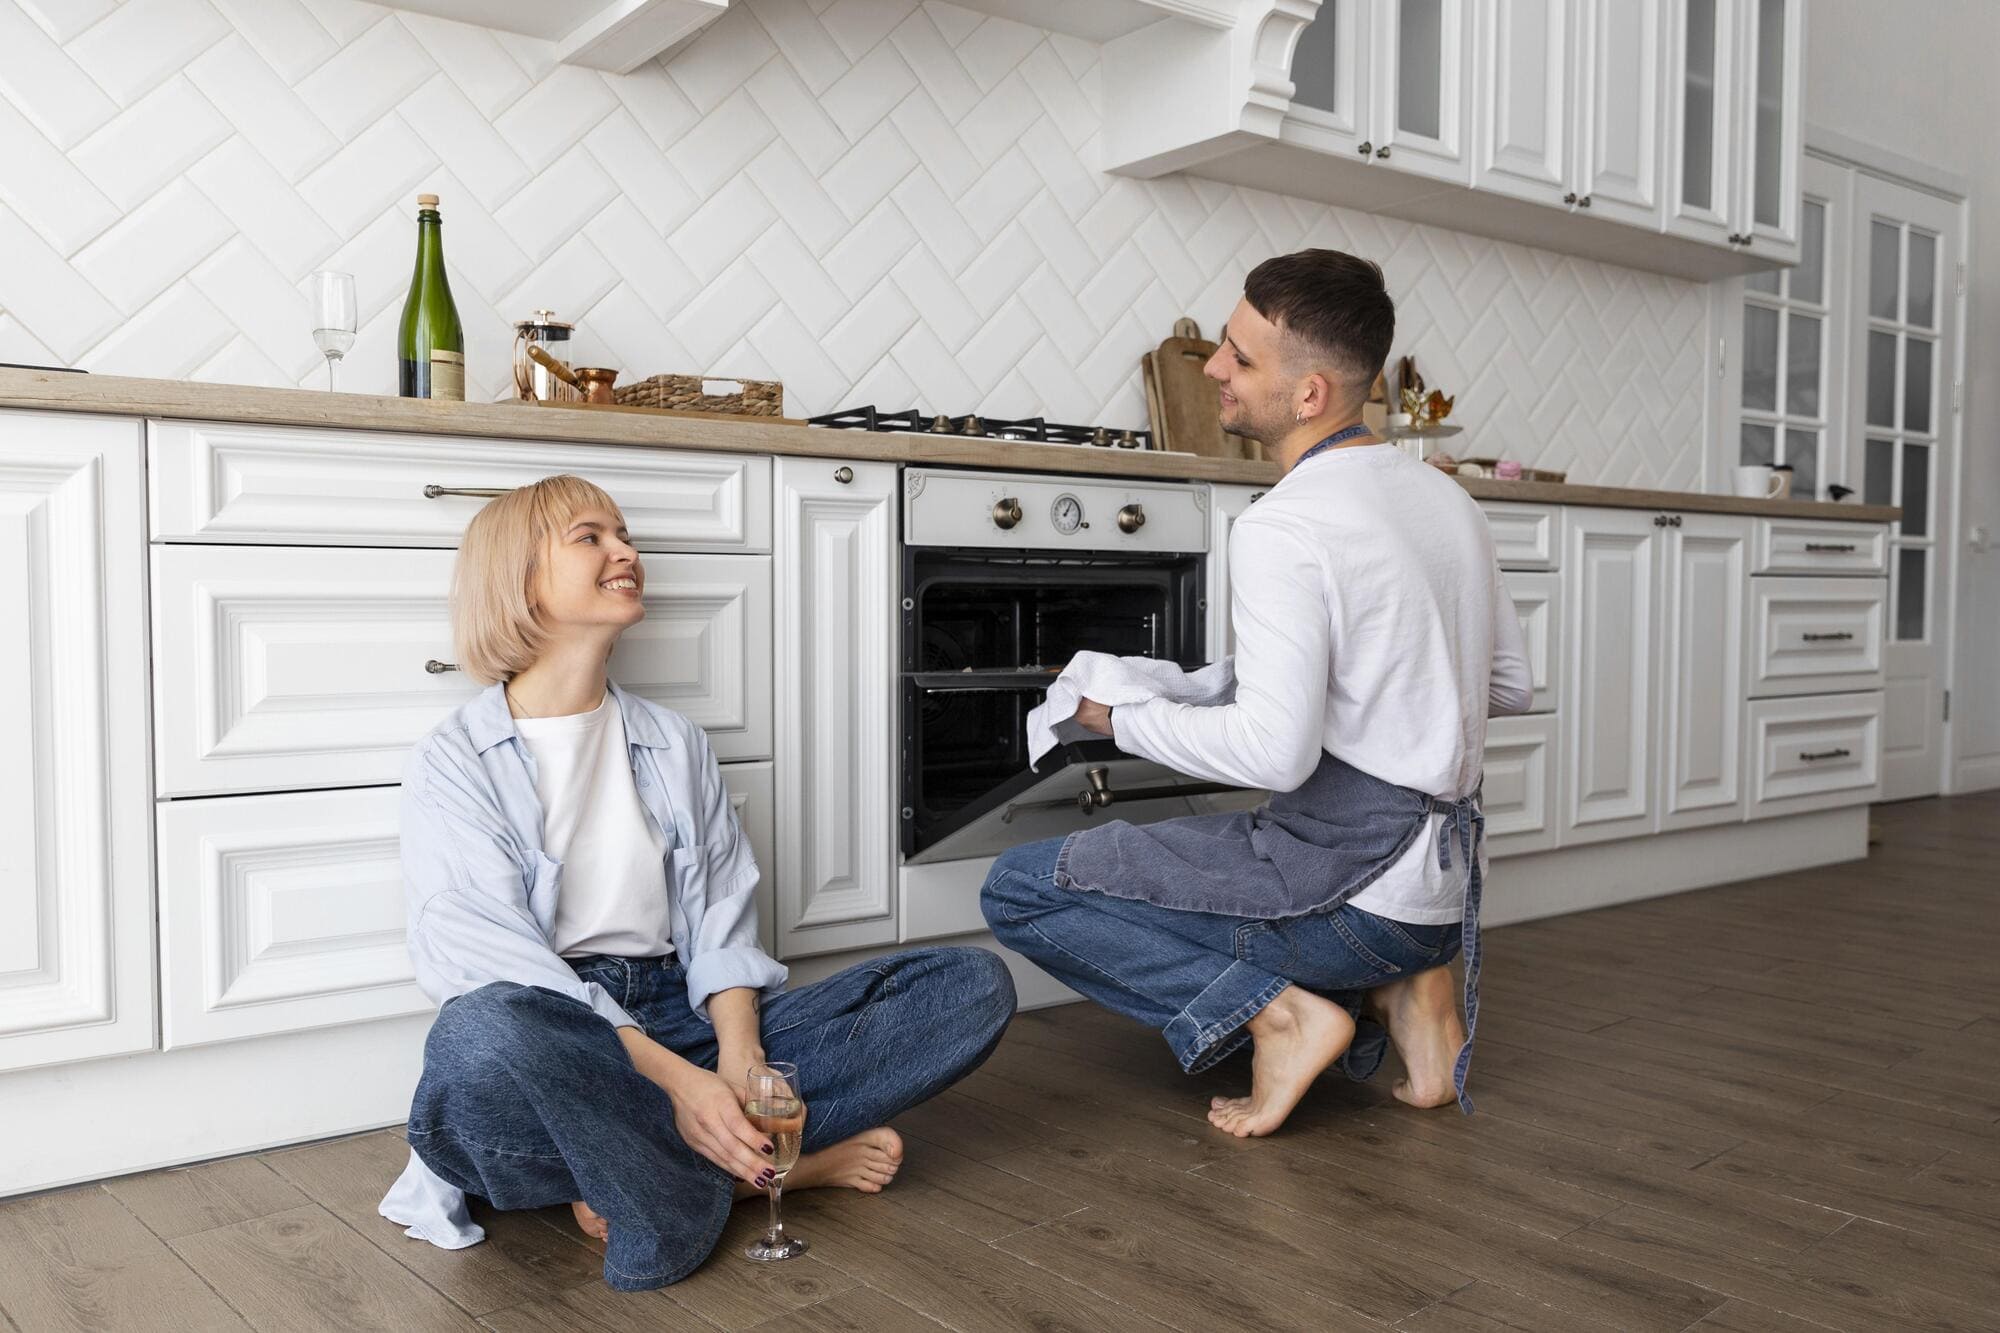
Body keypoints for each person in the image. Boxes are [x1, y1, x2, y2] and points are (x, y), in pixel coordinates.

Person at [379, 475, 1015, 1290]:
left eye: (625, 534)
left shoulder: (672, 742)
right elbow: (504, 970)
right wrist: (680, 1087)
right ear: (520, 579)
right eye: (591, 537)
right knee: (479, 1035)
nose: (626, 551)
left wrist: (740, 1065)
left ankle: (643, 1177)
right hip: (561, 1041)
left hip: (682, 1013)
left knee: (968, 982)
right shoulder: (453, 761)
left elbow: (719, 919)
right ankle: (764, 1171)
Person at [981, 249, 1530, 1138]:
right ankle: (1412, 993)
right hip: (1442, 897)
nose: (1214, 368)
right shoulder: (1444, 497)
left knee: (1020, 887)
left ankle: (1284, 1015)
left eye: (1239, 355)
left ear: (1309, 394)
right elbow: (1508, 683)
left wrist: (1118, 718)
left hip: (1352, 888)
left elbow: (1279, 753)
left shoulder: (1286, 523)